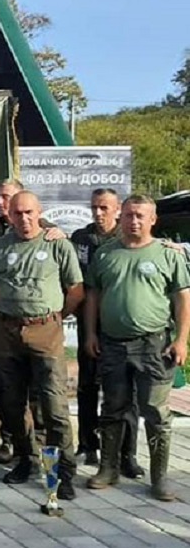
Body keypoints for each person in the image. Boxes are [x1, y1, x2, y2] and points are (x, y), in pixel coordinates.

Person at [84, 195, 190, 502]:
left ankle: (160, 478)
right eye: (129, 215)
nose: (134, 221)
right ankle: (108, 468)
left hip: (154, 345)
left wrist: (181, 340)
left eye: (141, 216)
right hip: (113, 344)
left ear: (153, 220)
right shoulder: (106, 254)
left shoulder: (167, 254)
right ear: (122, 217)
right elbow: (92, 296)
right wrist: (90, 333)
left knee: (156, 412)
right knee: (112, 408)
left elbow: (183, 299)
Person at [0, 191, 84, 498]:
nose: (24, 218)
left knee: (54, 406)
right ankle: (26, 459)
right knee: (13, 402)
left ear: (39, 212)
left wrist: (53, 318)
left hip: (46, 331)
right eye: (17, 213)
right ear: (9, 215)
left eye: (29, 212)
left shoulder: (57, 244)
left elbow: (75, 290)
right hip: (8, 331)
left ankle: (63, 472)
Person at [0, 179, 62, 464]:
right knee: (8, 388)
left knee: (42, 391)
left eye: (6, 197)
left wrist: (53, 317)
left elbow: (73, 286)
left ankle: (41, 447)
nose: (0, 203)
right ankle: (12, 443)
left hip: (40, 324)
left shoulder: (49, 232)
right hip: (2, 319)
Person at [71, 189, 143, 474]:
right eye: (94, 208)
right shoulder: (81, 237)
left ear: (117, 209)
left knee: (126, 391)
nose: (98, 213)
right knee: (87, 385)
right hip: (89, 322)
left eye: (104, 208)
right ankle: (87, 444)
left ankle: (127, 453)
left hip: (119, 323)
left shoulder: (126, 237)